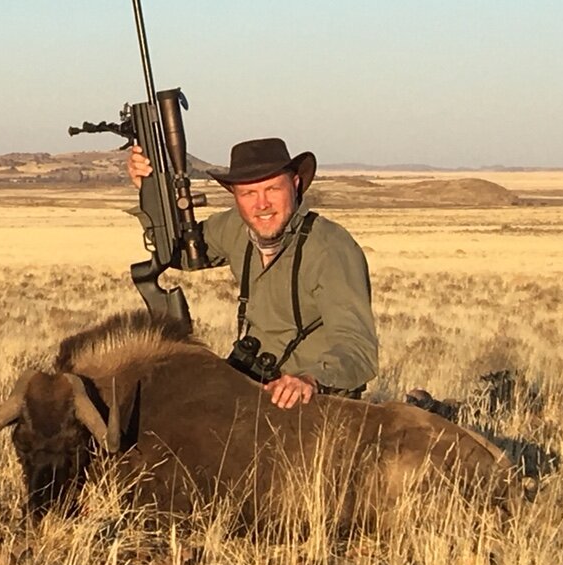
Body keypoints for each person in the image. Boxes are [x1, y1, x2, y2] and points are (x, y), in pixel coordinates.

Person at [128, 136, 378, 409]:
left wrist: (309, 379)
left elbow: (358, 350)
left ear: (294, 185)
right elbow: (180, 254)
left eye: (272, 189)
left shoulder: (330, 249)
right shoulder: (235, 227)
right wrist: (150, 195)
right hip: (250, 388)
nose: (262, 204)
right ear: (235, 196)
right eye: (248, 193)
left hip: (313, 401)